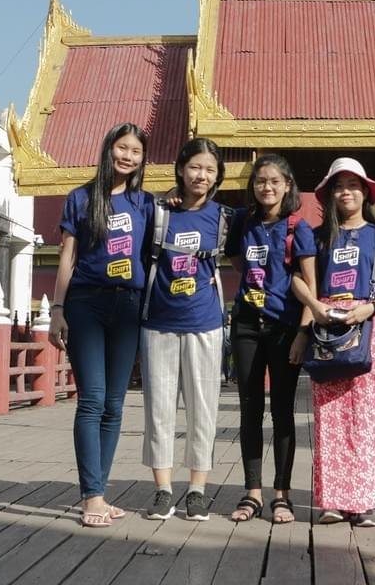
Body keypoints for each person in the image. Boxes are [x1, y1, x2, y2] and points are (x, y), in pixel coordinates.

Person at [48, 122, 153, 528]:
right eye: (121, 148)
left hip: (129, 305)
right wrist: (57, 309)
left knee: (114, 403)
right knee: (91, 399)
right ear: (108, 149)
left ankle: (101, 491)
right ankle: (91, 496)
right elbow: (67, 258)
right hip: (86, 304)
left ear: (143, 159)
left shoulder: (145, 204)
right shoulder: (80, 199)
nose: (127, 156)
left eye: (136, 151)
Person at [293, 157, 375, 527]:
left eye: (353, 185)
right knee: (329, 414)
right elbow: (300, 279)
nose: (346, 192)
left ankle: (366, 501)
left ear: (365, 193)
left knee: (367, 415)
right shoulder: (316, 234)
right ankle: (332, 501)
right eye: (339, 186)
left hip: (369, 324)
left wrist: (369, 309)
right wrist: (314, 309)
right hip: (327, 324)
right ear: (329, 194)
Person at [142, 137, 230, 522]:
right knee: (159, 409)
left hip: (205, 322)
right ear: (180, 169)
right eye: (195, 167)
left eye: (210, 170)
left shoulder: (225, 217)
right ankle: (162, 489)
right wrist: (165, 195)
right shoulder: (158, 212)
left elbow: (268, 234)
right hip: (159, 321)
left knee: (202, 409)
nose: (202, 175)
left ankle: (197, 488)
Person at [225, 154, 317, 524]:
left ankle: (282, 494)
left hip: (284, 327)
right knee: (250, 409)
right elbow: (237, 262)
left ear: (287, 186)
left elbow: (311, 287)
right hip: (246, 323)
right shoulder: (243, 222)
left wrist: (303, 333)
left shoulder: (298, 227)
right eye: (261, 181)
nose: (267, 187)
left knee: (281, 411)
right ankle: (251, 493)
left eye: (275, 181)